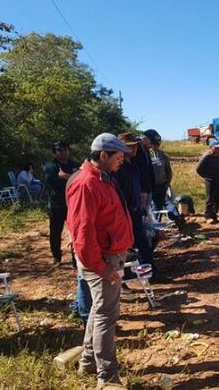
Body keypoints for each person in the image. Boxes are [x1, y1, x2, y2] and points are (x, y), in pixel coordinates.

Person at [66, 133, 133, 388]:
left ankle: (87, 363)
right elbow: (82, 234)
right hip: (101, 260)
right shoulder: (87, 184)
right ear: (103, 156)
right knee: (107, 315)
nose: (121, 162)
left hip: (108, 256)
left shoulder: (103, 179)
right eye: (118, 157)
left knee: (99, 310)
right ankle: (107, 377)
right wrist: (102, 268)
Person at [115, 133, 155, 275]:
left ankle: (149, 275)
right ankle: (124, 280)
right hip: (124, 213)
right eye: (130, 146)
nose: (134, 149)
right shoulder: (117, 167)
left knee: (143, 243)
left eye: (135, 146)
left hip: (136, 210)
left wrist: (141, 195)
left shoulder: (133, 164)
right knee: (125, 247)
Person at [43, 141, 80, 265]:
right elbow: (52, 183)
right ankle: (56, 257)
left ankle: (76, 258)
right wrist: (71, 179)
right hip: (56, 204)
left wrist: (65, 176)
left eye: (66, 149)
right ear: (55, 153)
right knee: (55, 232)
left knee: (76, 231)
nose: (64, 152)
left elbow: (82, 180)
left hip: (73, 204)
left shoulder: (75, 164)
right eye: (60, 150)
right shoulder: (50, 166)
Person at [197, 139, 219, 224]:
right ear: (210, 147)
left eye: (218, 147)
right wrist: (206, 177)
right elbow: (198, 169)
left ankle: (214, 215)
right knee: (210, 199)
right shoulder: (206, 157)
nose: (217, 149)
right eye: (215, 147)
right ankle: (208, 216)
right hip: (210, 181)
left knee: (217, 198)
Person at [144, 130, 173, 210]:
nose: (156, 146)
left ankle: (158, 221)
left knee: (159, 206)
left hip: (162, 186)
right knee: (149, 208)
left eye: (158, 144)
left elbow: (168, 171)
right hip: (151, 187)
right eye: (154, 144)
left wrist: (167, 184)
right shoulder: (146, 155)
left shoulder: (164, 155)